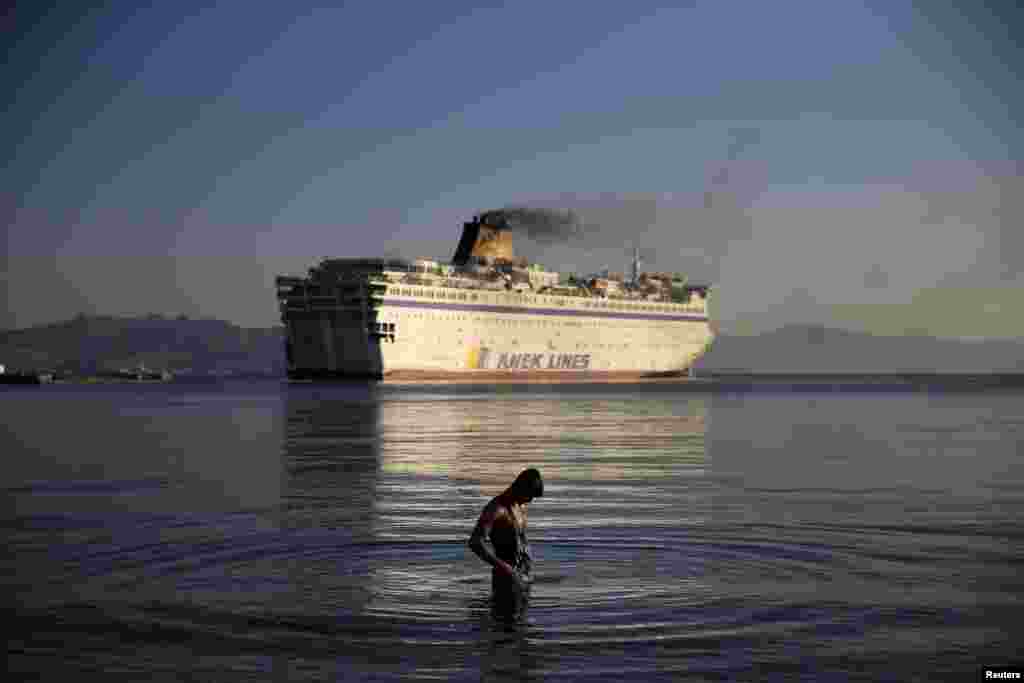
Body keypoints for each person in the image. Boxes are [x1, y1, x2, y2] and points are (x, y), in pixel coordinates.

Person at [468, 468, 543, 607]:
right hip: (506, 580)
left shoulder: (520, 506)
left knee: (521, 624)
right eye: (530, 496)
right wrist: (506, 568)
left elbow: (519, 539)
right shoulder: (496, 509)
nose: (531, 500)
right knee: (506, 624)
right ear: (521, 488)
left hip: (523, 577)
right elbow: (475, 542)